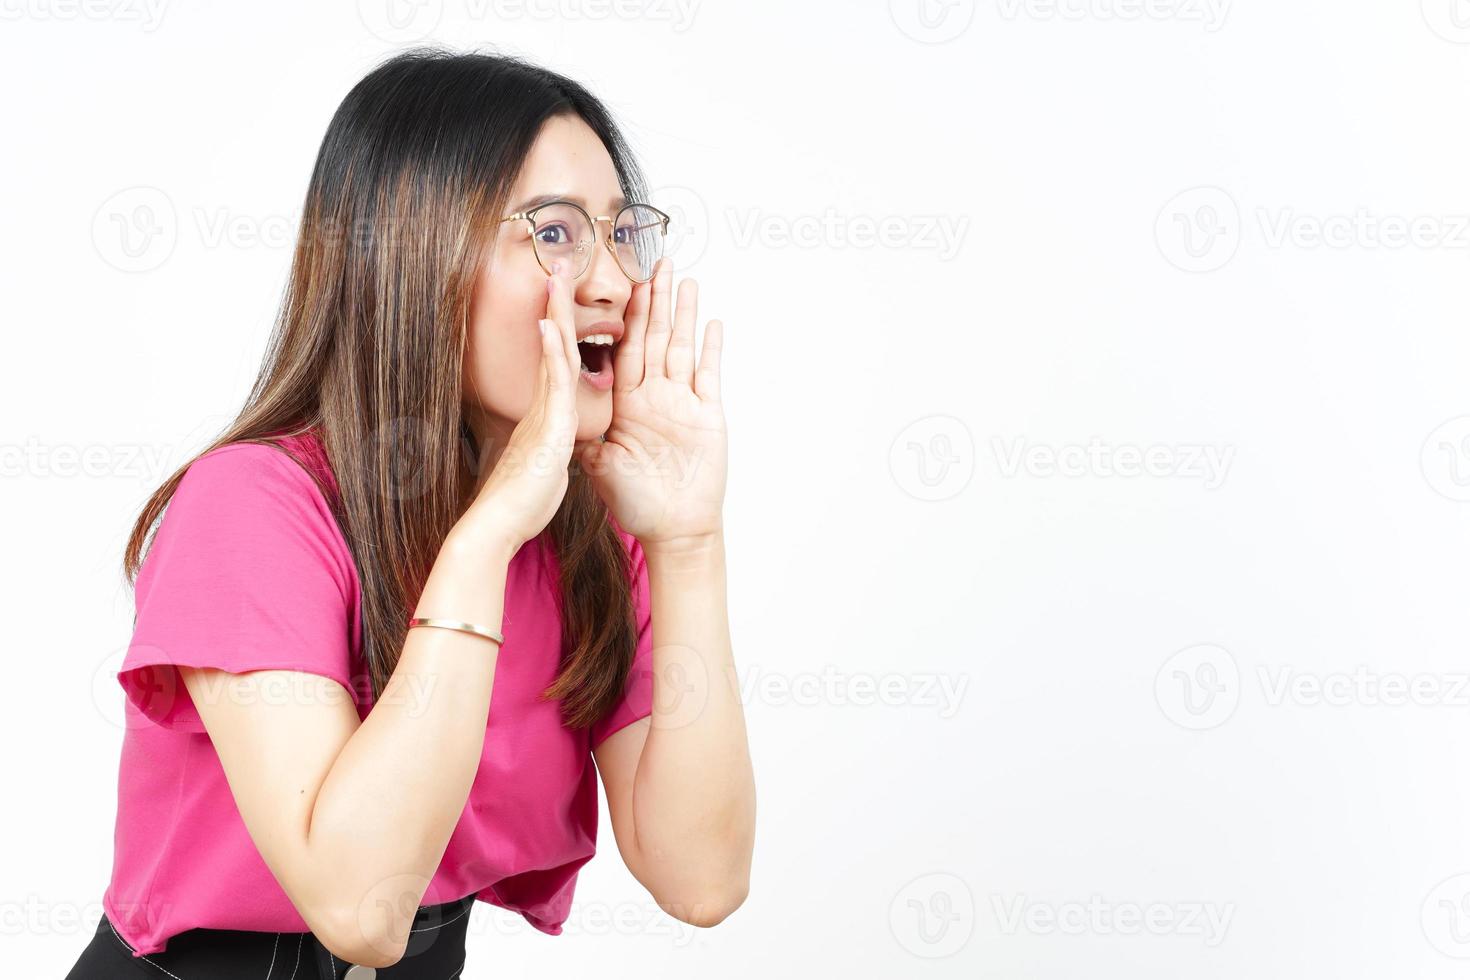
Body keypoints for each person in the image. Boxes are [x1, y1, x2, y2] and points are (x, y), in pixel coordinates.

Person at [65, 46, 754, 979]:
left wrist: (687, 540)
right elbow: (361, 909)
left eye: (621, 232)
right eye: (554, 233)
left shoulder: (590, 534)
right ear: (412, 251)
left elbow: (701, 878)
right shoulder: (254, 506)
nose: (611, 283)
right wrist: (483, 541)